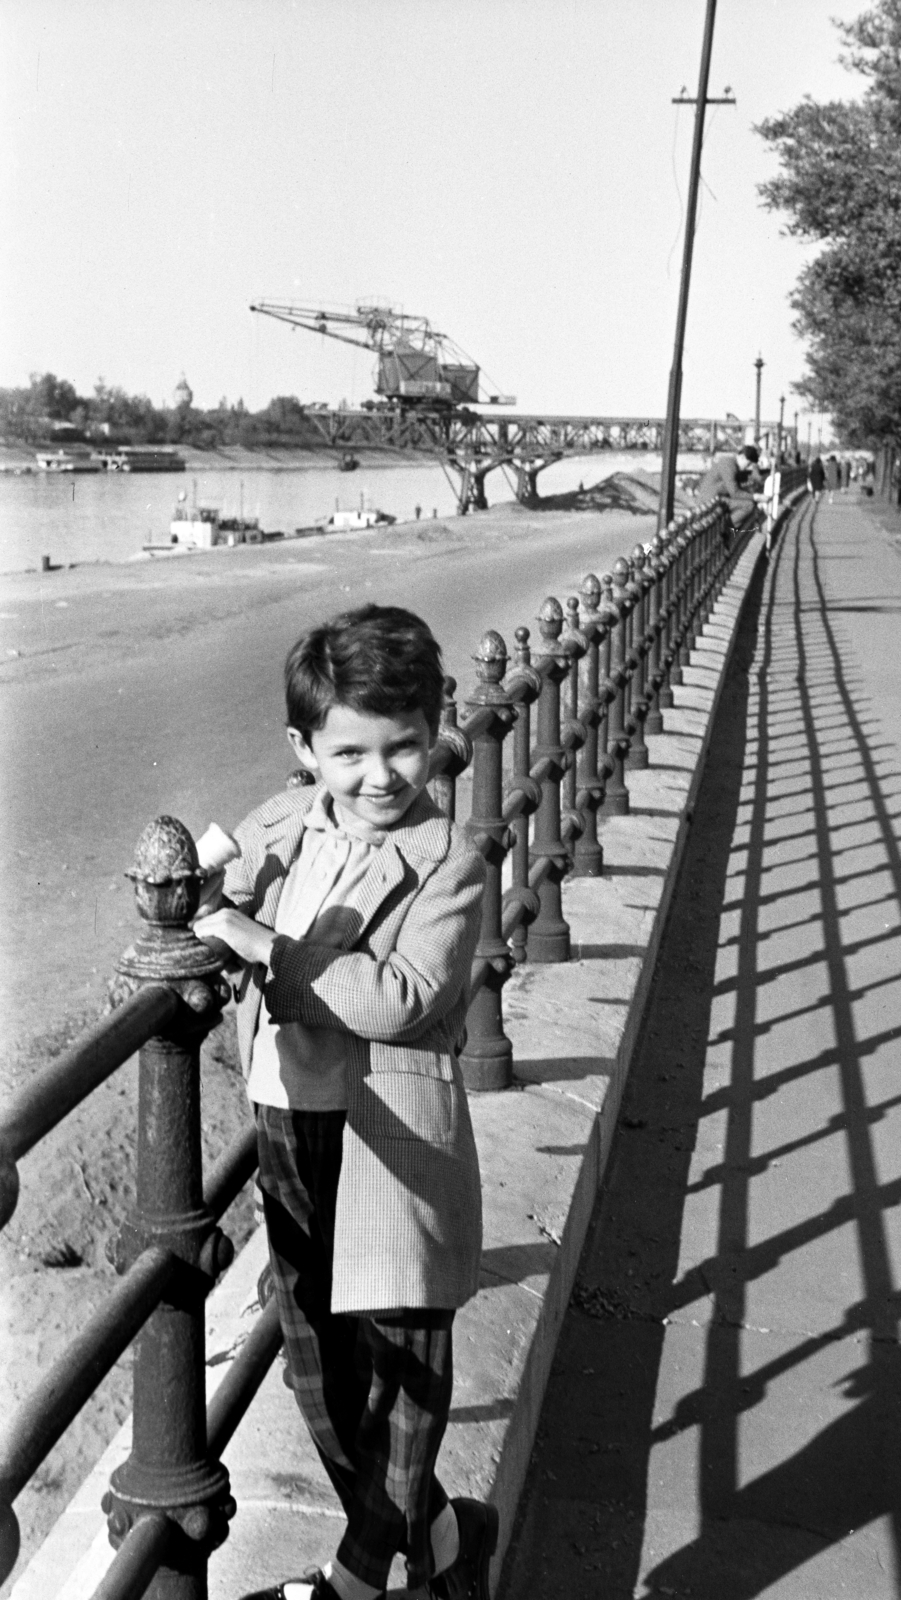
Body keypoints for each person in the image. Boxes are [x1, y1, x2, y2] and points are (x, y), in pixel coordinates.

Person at [195, 605, 493, 1600]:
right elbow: (214, 910)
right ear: (305, 749)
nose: (380, 776)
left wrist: (263, 946)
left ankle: (360, 1577)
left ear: (435, 727)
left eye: (403, 747)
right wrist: (198, 903)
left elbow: (406, 994)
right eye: (351, 751)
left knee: (403, 1351)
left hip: (388, 1134)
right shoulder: (278, 825)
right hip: (285, 1116)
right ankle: (444, 1538)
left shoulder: (450, 856)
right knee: (316, 1356)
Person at [696, 443, 764, 534]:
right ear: (742, 457)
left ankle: (726, 528)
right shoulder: (729, 465)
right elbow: (734, 492)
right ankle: (724, 530)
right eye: (748, 464)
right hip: (710, 499)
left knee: (747, 503)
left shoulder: (730, 463)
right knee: (748, 505)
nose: (747, 467)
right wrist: (755, 497)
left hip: (714, 497)